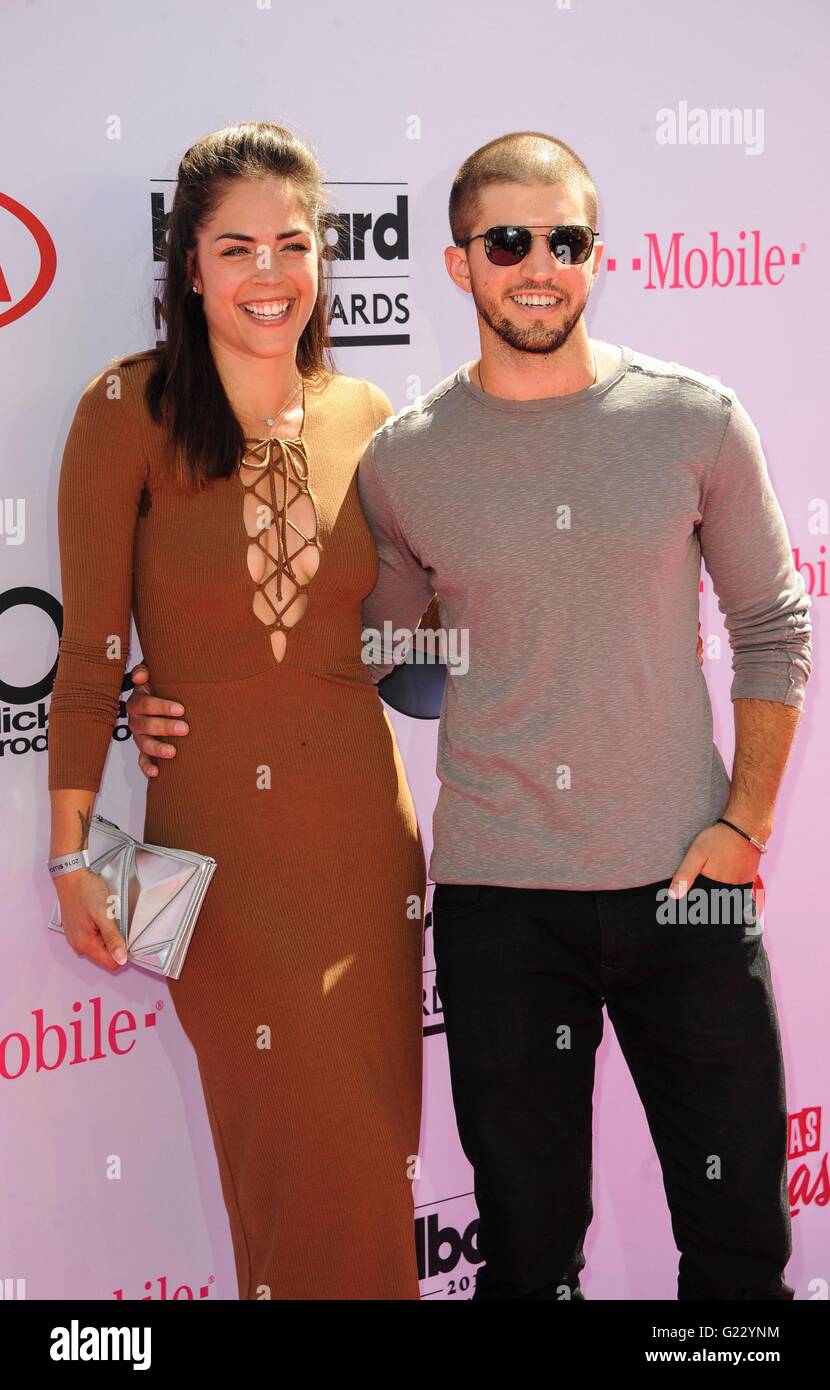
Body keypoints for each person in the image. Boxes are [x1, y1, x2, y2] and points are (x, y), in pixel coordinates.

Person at [125, 130, 799, 1303]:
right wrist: (174, 683)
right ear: (458, 264)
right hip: (500, 910)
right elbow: (375, 650)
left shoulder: (692, 420)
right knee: (525, 1257)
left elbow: (772, 628)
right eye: (506, 240)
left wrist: (741, 823)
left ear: (598, 257)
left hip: (686, 889)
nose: (536, 265)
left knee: (738, 1247)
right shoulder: (405, 458)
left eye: (564, 240)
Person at [46, 122, 430, 1301]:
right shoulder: (125, 407)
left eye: (293, 244)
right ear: (190, 266)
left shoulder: (370, 412)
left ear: (323, 259)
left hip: (370, 845)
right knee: (301, 1159)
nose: (269, 274)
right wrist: (71, 854)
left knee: (368, 1161)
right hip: (218, 851)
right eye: (236, 247)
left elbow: (408, 642)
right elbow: (91, 652)